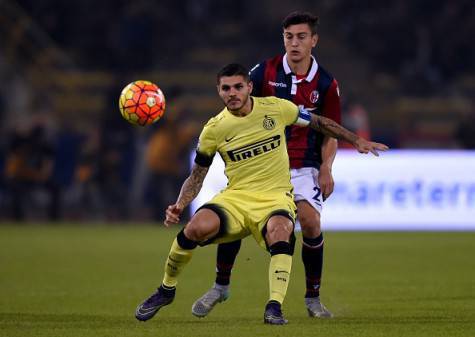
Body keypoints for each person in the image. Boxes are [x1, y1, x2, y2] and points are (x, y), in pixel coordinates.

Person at [135, 63, 387, 325]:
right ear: (218, 91)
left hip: (275, 197)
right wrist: (180, 204)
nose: (232, 93)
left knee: (282, 230)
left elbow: (319, 122)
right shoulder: (214, 129)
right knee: (195, 228)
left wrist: (355, 140)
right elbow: (197, 175)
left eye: (237, 87)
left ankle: (274, 306)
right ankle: (166, 289)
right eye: (226, 88)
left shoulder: (276, 108)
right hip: (236, 198)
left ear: (249, 87)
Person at [192, 11, 341, 318]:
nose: (294, 43)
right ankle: (221, 286)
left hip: (303, 163)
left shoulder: (326, 83)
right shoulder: (264, 72)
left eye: (301, 37)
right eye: (289, 37)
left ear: (314, 40)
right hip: (262, 162)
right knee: (238, 217)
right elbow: (240, 108)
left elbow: (330, 130)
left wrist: (326, 168)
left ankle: (313, 298)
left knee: (310, 222)